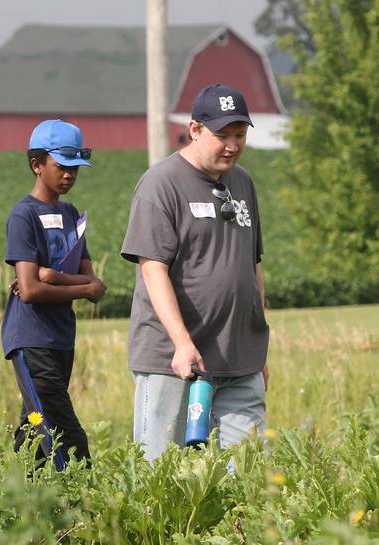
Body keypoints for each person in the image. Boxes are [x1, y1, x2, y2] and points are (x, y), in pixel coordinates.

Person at [120, 84, 270, 462]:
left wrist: (258, 345)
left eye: (240, 135)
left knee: (247, 473)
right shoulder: (161, 184)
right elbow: (153, 269)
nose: (232, 146)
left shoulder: (243, 183)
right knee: (161, 472)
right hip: (175, 361)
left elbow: (253, 266)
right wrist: (182, 342)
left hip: (239, 360)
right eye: (222, 136)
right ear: (195, 130)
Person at [2, 119, 106, 470]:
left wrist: (53, 275)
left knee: (34, 428)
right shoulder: (23, 215)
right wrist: (75, 285)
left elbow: (94, 284)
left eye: (75, 168)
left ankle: (16, 503)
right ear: (37, 164)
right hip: (31, 339)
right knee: (65, 431)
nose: (70, 175)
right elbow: (30, 290)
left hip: (61, 337)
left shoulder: (70, 213)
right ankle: (83, 494)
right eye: (62, 166)